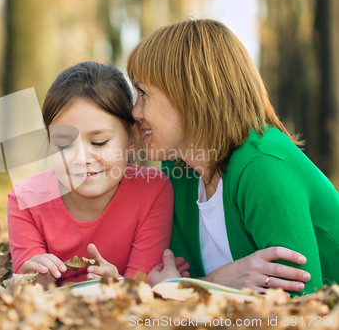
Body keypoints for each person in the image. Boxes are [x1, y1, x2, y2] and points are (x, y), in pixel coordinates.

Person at [126, 19, 339, 295]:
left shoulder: (262, 167)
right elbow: (178, 291)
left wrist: (196, 289)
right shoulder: (178, 169)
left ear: (189, 94)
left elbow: (305, 309)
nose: (135, 111)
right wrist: (214, 283)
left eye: (143, 93)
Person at [7, 61, 188, 288]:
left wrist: (119, 285)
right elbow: (27, 283)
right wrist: (34, 281)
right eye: (64, 144)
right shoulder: (25, 200)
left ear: (132, 139)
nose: (82, 157)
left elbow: (141, 288)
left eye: (99, 142)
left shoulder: (153, 191)